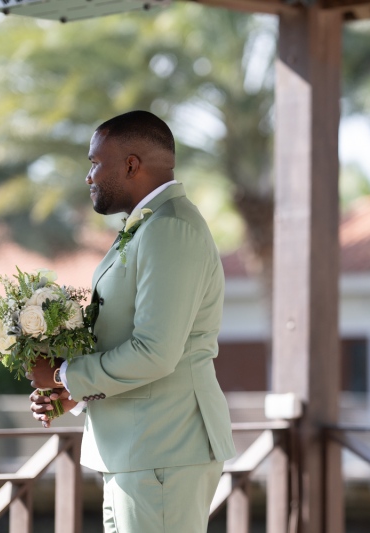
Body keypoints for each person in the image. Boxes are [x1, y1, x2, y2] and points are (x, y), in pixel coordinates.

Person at [27, 110, 236, 532]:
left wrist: (67, 375)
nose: (88, 177)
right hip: (140, 452)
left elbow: (155, 352)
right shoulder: (147, 228)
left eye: (94, 163)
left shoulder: (170, 228)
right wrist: (77, 393)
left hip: (162, 449)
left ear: (131, 164)